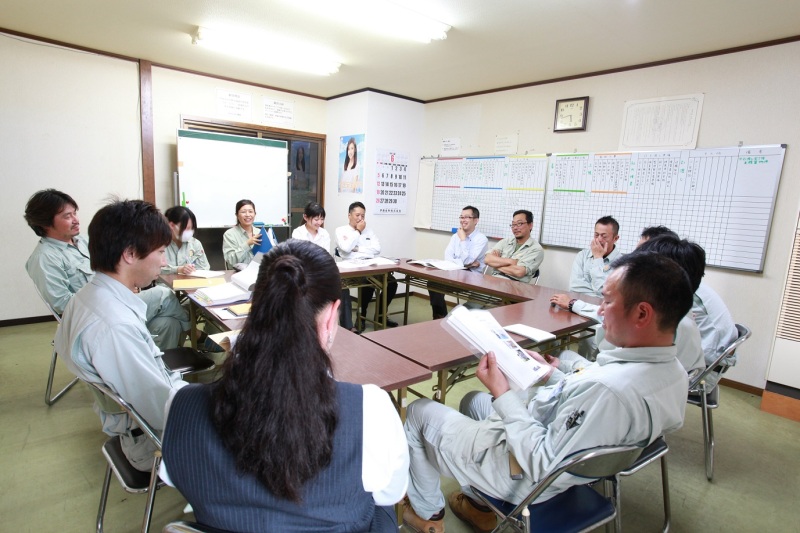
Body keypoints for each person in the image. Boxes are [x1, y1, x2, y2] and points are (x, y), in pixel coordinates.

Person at [402, 252, 692, 533]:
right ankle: (480, 506)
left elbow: (540, 461)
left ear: (642, 313)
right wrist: (553, 376)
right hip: (556, 446)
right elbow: (589, 403)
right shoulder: (675, 374)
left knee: (418, 412)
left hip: (525, 476)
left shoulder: (608, 393)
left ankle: (428, 514)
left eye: (606, 301)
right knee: (472, 401)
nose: (599, 310)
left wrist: (503, 393)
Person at [161, 240, 408, 532]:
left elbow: (174, 477)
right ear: (332, 315)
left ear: (256, 308)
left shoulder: (181, 405)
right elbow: (391, 493)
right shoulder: (371, 410)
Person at [53, 199, 188, 472]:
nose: (164, 262)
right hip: (153, 442)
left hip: (145, 424)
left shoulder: (90, 297)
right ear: (129, 254)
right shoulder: (114, 327)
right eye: (161, 252)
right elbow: (162, 410)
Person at [24, 189, 189, 350]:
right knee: (162, 293)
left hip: (117, 299)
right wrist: (111, 298)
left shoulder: (82, 241)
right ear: (45, 223)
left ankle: (157, 370)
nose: (76, 220)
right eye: (67, 216)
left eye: (75, 213)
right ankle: (194, 333)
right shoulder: (44, 258)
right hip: (97, 315)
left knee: (169, 323)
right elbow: (64, 305)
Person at [552, 234, 705, 375]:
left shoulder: (645, 332)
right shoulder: (677, 315)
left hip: (606, 378)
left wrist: (554, 375)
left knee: (561, 357)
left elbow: (605, 374)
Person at [335, 201, 398, 329]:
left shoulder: (369, 231)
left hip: (370, 264)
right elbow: (346, 249)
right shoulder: (340, 230)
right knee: (368, 283)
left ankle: (380, 314)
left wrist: (357, 249)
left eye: (363, 216)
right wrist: (358, 231)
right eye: (357, 215)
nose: (360, 218)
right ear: (349, 215)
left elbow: (377, 249)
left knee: (392, 283)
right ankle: (361, 317)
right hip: (351, 268)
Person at [430, 206, 488, 319]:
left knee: (436, 284)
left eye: (467, 217)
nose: (462, 220)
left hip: (471, 277)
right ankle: (440, 317)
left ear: (476, 220)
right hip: (455, 273)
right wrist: (465, 263)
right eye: (461, 217)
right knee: (433, 283)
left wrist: (463, 240)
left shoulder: (481, 239)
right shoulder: (454, 236)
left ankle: (442, 319)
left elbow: (467, 261)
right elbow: (448, 258)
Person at [484, 209, 543, 284]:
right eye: (513, 224)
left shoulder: (536, 249)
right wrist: (511, 262)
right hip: (494, 281)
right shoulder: (505, 241)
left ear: (530, 225)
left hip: (516, 286)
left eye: (519, 224)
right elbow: (487, 259)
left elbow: (519, 272)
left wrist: (496, 263)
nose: (515, 228)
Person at [569, 216, 622, 297]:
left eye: (604, 236)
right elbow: (575, 287)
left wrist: (598, 258)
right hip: (578, 304)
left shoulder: (622, 264)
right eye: (596, 235)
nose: (599, 240)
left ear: (615, 238)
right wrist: (601, 296)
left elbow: (606, 293)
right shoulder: (582, 255)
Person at [162, 206, 210, 274]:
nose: (190, 232)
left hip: (191, 283)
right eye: (187, 228)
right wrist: (178, 269)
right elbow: (154, 270)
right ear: (172, 225)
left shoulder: (195, 244)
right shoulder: (159, 243)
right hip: (164, 284)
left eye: (191, 228)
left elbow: (204, 269)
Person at [222, 199, 261, 269]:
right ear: (237, 215)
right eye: (243, 212)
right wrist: (247, 244)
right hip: (237, 274)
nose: (248, 215)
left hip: (259, 273)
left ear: (255, 214)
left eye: (250, 211)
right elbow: (231, 260)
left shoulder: (260, 232)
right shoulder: (229, 234)